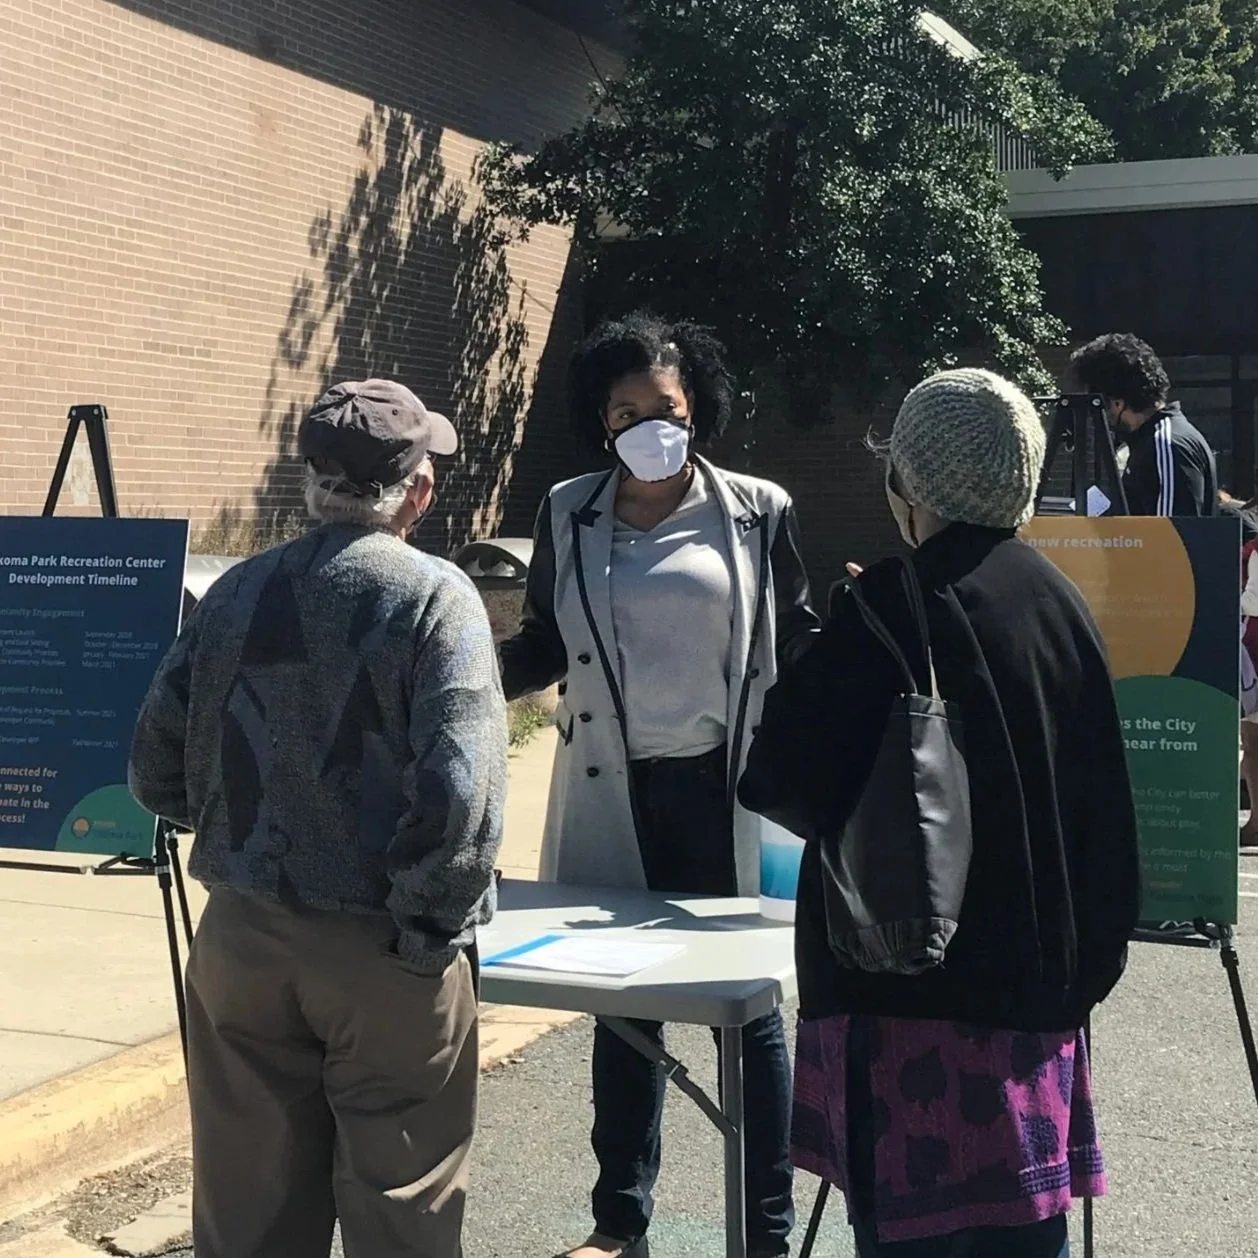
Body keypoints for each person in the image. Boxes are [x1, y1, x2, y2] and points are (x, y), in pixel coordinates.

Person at [739, 369, 1142, 1257]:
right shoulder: (1061, 605)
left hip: (906, 1005)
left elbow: (781, 780)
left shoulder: (889, 605)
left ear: (908, 484)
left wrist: (838, 642)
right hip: (1036, 1004)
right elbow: (1106, 816)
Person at [128, 380, 507, 1258]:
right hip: (386, 944)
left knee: (249, 1205)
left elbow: (153, 766)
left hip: (243, 942)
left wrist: (236, 831)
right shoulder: (436, 599)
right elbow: (465, 796)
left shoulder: (232, 592)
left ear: (312, 481)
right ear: (417, 489)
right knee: (401, 1209)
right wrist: (427, 929)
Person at [499, 312, 818, 1258]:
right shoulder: (568, 510)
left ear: (698, 410)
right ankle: (618, 1224)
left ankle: (763, 1233)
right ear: (601, 420)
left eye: (665, 407)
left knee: (749, 1018)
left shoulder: (760, 509)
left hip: (726, 796)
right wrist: (457, 676)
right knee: (624, 1016)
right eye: (626, 410)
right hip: (614, 791)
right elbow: (547, 645)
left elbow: (794, 639)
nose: (649, 425)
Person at [1068, 333, 1217, 517]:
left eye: (1100, 407)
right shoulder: (1156, 440)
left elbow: (1169, 536)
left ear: (1117, 403)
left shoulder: (1165, 444)